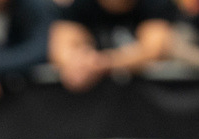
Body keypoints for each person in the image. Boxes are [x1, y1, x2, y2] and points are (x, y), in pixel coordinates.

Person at [49, 0, 178, 91]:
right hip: (92, 110)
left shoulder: (155, 4)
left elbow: (154, 50)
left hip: (146, 105)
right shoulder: (79, 5)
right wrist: (77, 63)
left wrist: (103, 62)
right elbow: (60, 49)